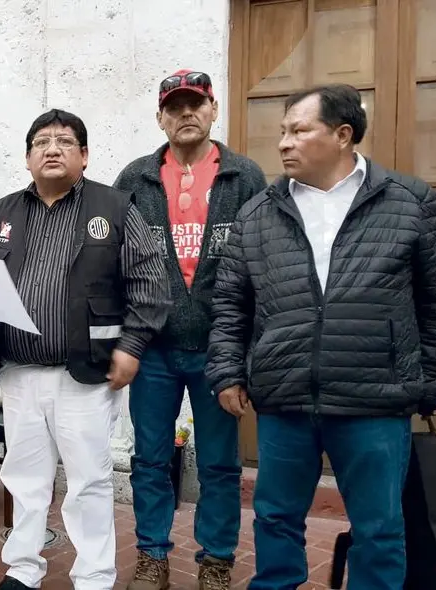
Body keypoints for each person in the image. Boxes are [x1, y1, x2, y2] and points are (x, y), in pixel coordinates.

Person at [206, 83, 436, 590]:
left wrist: (429, 385)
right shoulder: (258, 213)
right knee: (275, 520)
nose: (284, 143)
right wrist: (228, 371)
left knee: (379, 529)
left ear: (343, 135)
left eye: (299, 130)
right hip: (285, 398)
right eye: (282, 132)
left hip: (375, 400)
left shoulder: (410, 203)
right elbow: (231, 303)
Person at [0, 109, 171, 590]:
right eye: (41, 143)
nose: (52, 149)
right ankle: (23, 567)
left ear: (85, 155)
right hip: (19, 371)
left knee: (90, 481)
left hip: (87, 373)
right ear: (28, 158)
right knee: (25, 477)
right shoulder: (3, 211)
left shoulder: (114, 208)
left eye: (64, 141)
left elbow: (150, 282)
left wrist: (133, 345)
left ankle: (94, 576)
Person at [112, 69, 268, 590]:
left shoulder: (245, 177)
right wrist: (126, 338)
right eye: (174, 106)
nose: (185, 114)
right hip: (152, 349)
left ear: (213, 109)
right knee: (150, 459)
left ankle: (216, 559)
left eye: (194, 104)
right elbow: (115, 262)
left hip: (217, 351)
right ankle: (153, 555)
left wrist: (243, 349)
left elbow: (262, 266)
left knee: (221, 465)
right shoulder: (134, 179)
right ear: (160, 116)